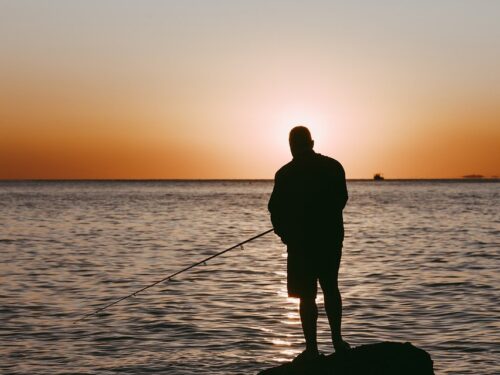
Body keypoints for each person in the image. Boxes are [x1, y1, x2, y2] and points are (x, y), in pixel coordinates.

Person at [268, 126, 350, 362]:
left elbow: (275, 210)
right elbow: (341, 200)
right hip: (330, 240)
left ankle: (312, 350)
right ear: (312, 143)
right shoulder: (334, 167)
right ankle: (337, 342)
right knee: (331, 288)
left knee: (307, 295)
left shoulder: (284, 174)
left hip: (300, 245)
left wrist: (286, 234)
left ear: (291, 146)